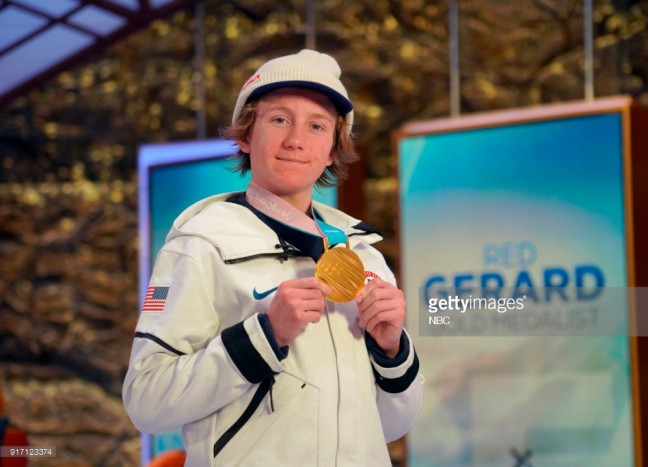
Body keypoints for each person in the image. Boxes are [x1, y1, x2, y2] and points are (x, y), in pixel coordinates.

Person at [122, 49, 424, 466]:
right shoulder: (201, 244)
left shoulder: (364, 256)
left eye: (317, 126)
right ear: (246, 135)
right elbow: (146, 400)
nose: (296, 139)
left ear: (333, 151)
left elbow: (392, 425)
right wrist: (263, 337)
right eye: (279, 119)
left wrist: (391, 350)